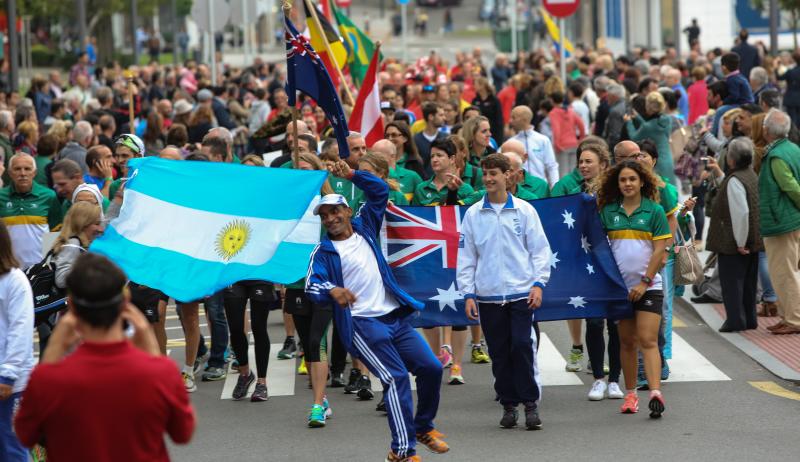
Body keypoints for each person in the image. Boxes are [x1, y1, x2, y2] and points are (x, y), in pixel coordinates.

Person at [306, 160, 449, 462]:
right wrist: (332, 290)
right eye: (325, 214)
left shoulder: (365, 226)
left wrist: (352, 174)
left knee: (432, 368)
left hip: (393, 318)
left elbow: (380, 191)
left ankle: (422, 428)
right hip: (361, 326)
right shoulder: (322, 252)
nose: (331, 218)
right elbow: (312, 286)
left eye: (335, 212)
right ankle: (402, 451)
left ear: (347, 211)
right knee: (395, 377)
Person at [14, 253, 195, 460]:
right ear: (125, 300)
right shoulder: (159, 372)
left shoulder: (48, 379)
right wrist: (153, 351)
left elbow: (25, 434)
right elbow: (183, 432)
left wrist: (52, 354)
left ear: (71, 305)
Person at [457, 153, 551, 430]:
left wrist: (538, 283)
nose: (488, 179)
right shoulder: (474, 214)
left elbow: (540, 251)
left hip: (522, 293)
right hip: (488, 296)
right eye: (484, 174)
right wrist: (468, 293)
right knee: (499, 351)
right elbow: (466, 258)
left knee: (522, 345)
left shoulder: (524, 211)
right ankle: (508, 405)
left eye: (493, 173)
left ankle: (530, 405)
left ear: (507, 175)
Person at [596, 161, 670, 418]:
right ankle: (630, 395)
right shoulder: (607, 212)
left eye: (632, 179)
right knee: (627, 343)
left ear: (642, 182)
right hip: (619, 291)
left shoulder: (655, 212)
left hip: (649, 288)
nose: (627, 184)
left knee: (648, 340)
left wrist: (644, 282)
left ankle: (655, 393)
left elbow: (660, 251)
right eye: (623, 180)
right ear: (617, 184)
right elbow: (599, 250)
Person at [706, 137, 762, 332]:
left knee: (732, 283)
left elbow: (741, 213)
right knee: (748, 283)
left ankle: (735, 320)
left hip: (736, 242)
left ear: (731, 160)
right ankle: (749, 319)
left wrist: (740, 242)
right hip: (754, 240)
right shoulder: (751, 175)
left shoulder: (735, 180)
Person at [759, 111, 800, 335]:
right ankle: (787, 316)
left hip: (781, 221)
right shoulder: (793, 149)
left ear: (767, 131)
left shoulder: (776, 157)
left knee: (784, 273)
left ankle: (793, 320)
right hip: (790, 219)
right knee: (784, 271)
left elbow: (791, 187)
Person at [0, 221, 33, 462]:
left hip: (10, 384)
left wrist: (7, 375)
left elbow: (20, 330)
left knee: (13, 449)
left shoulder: (14, 280)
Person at [0, 154, 62, 268]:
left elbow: (55, 233)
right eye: (17, 169)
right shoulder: (1, 197)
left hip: (40, 269)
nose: (23, 173)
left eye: (27, 169)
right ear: (10, 173)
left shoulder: (49, 196)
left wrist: (48, 263)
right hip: (8, 269)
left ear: (34, 173)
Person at [624, 92, 675, 184]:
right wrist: (638, 118)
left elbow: (634, 137)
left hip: (656, 161)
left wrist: (629, 122)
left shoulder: (648, 127)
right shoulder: (667, 119)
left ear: (648, 106)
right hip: (668, 159)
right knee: (669, 189)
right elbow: (653, 129)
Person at [52, 201, 102, 291]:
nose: (100, 229)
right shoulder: (73, 244)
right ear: (83, 224)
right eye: (97, 224)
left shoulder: (78, 243)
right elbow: (60, 280)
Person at [412, 137, 475, 206]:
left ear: (452, 159)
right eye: (432, 156)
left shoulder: (465, 189)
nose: (434, 160)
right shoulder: (421, 189)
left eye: (439, 155)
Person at [509, 105, 559, 188]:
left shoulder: (543, 140)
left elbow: (551, 166)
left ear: (524, 119)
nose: (510, 121)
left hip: (540, 188)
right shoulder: (510, 143)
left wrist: (555, 186)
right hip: (519, 189)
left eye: (514, 118)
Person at [549, 91, 586, 179]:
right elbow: (581, 124)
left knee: (563, 172)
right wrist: (581, 138)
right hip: (574, 144)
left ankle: (566, 192)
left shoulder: (553, 113)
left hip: (562, 145)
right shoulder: (570, 110)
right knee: (573, 170)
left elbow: (556, 129)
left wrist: (557, 144)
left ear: (552, 101)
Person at [413, 103, 447, 177]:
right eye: (441, 115)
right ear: (431, 117)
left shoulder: (446, 138)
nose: (444, 118)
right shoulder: (415, 140)